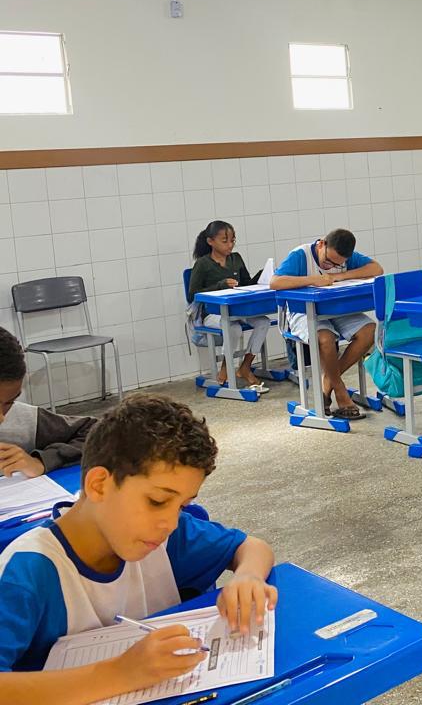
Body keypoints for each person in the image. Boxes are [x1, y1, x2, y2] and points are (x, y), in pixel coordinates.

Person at [0, 395, 276, 703]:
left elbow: (252, 547)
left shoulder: (165, 537)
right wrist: (120, 674)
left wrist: (248, 576)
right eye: (157, 501)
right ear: (99, 485)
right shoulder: (26, 573)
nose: (170, 522)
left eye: (182, 505)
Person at [269, 228, 383, 421]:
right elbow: (275, 282)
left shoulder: (343, 257)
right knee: (325, 338)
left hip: (336, 310)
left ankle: (328, 381)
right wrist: (312, 280)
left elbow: (376, 269)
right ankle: (340, 390)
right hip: (303, 312)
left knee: (370, 331)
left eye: (337, 264)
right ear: (321, 244)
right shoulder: (301, 255)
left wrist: (340, 276)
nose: (331, 266)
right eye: (328, 262)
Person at [186, 220, 269, 391]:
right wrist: (220, 285)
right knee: (233, 327)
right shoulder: (203, 264)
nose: (230, 245)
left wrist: (262, 277)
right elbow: (192, 294)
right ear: (210, 241)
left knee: (263, 322)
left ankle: (245, 366)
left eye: (232, 240)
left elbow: (245, 284)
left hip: (237, 310)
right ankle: (226, 367)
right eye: (225, 241)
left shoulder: (235, 259)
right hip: (212, 313)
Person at [0, 327, 94, 477]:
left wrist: (41, 462)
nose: (2, 417)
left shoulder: (25, 421)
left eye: (10, 402)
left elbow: (97, 432)